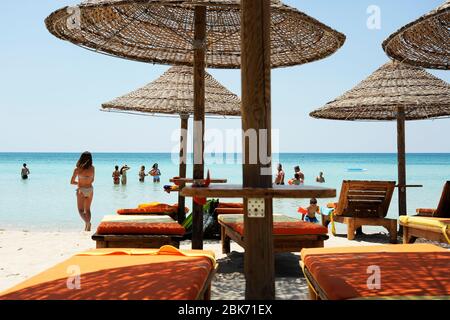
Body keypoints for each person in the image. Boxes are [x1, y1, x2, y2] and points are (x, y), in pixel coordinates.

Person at [70, 152, 94, 232]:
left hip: (81, 190)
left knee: (80, 210)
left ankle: (87, 222)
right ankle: (87, 226)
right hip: (90, 189)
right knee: (87, 209)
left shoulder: (77, 169)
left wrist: (79, 183)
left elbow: (72, 182)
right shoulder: (92, 168)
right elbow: (92, 180)